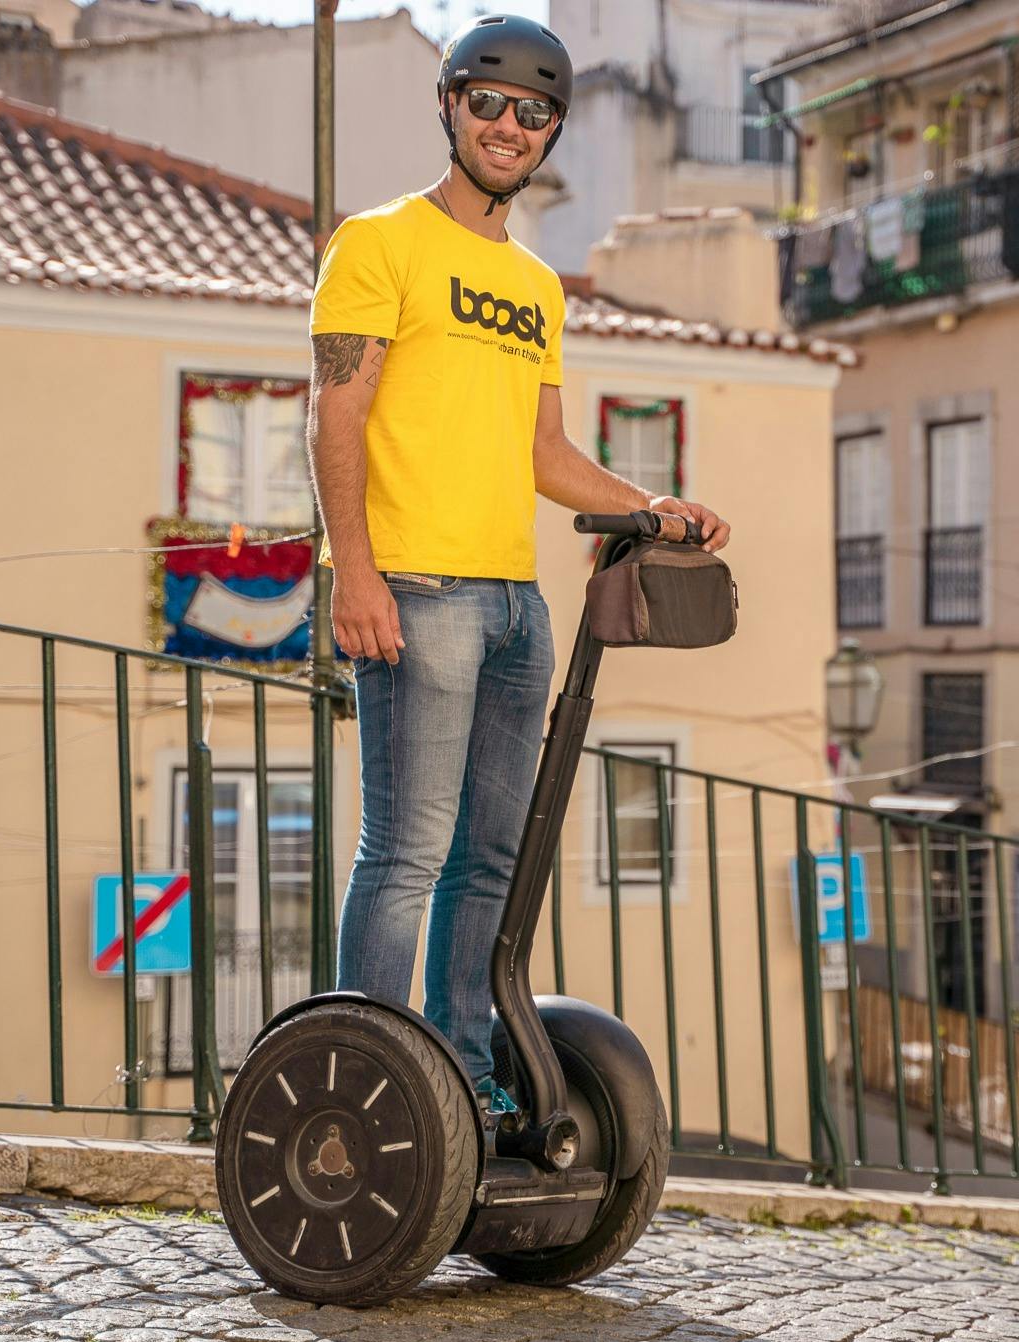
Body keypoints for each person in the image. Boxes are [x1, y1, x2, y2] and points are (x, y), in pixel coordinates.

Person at [306, 13, 731, 1118]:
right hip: (415, 589)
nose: (507, 124)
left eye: (532, 111)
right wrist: (351, 573)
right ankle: (366, 1084)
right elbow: (334, 412)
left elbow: (545, 454)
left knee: (489, 862)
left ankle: (466, 1081)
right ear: (448, 105)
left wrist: (651, 505)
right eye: (486, 101)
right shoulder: (379, 241)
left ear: (550, 132)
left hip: (510, 606)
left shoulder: (536, 285)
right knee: (404, 854)